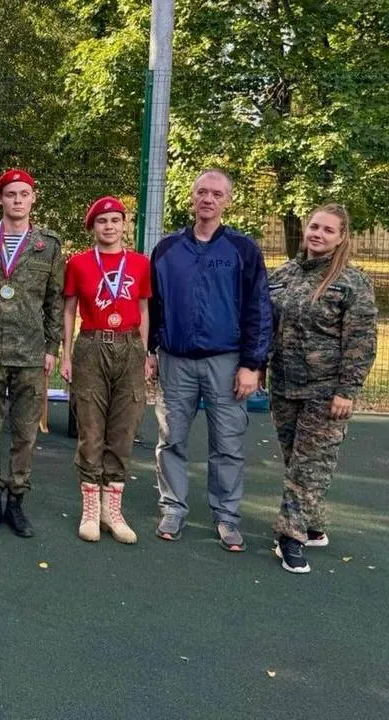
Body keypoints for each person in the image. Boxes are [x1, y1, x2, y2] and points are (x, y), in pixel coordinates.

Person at [148, 169, 272, 551]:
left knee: (228, 443)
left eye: (216, 193)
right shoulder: (167, 249)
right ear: (191, 197)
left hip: (226, 361)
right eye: (202, 191)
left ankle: (227, 516)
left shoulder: (243, 250)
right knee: (171, 438)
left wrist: (252, 365)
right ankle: (173, 507)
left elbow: (259, 310)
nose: (208, 199)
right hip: (175, 359)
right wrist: (151, 351)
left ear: (226, 201)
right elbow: (154, 307)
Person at [267, 204, 377, 573]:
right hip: (284, 385)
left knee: (310, 467)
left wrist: (347, 389)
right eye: (314, 226)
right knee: (296, 462)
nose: (318, 234)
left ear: (341, 237)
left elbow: (361, 340)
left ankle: (290, 537)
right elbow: (265, 325)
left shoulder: (351, 282)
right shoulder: (283, 274)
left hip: (327, 391)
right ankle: (313, 526)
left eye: (328, 230)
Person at [0, 169, 64, 538]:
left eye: (24, 194)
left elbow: (54, 302)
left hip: (30, 353)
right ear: (0, 199)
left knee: (24, 433)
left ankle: (17, 502)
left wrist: (52, 349)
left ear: (32, 199)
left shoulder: (48, 245)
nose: (18, 200)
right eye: (11, 194)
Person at [61, 197, 152, 544]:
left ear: (124, 224)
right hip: (92, 344)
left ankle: (113, 508)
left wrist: (143, 353)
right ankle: (90, 508)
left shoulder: (140, 264)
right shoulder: (79, 263)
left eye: (116, 220)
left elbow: (143, 309)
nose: (110, 226)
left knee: (124, 426)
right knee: (90, 425)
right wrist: (66, 354)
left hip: (129, 344)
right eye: (102, 221)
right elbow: (69, 310)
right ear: (92, 227)